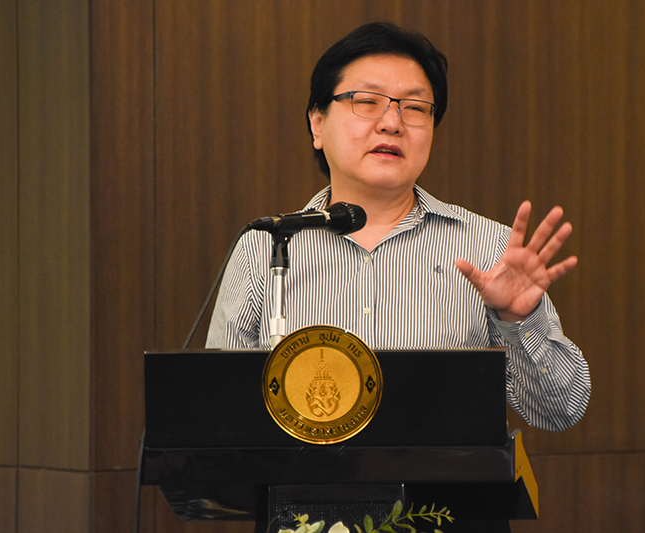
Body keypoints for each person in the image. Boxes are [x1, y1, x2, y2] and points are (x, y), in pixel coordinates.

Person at [207, 22, 590, 431]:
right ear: (317, 124)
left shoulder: (487, 249)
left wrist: (517, 318)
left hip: (438, 477)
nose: (392, 122)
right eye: (367, 101)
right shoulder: (264, 247)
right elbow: (215, 411)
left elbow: (561, 411)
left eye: (415, 108)